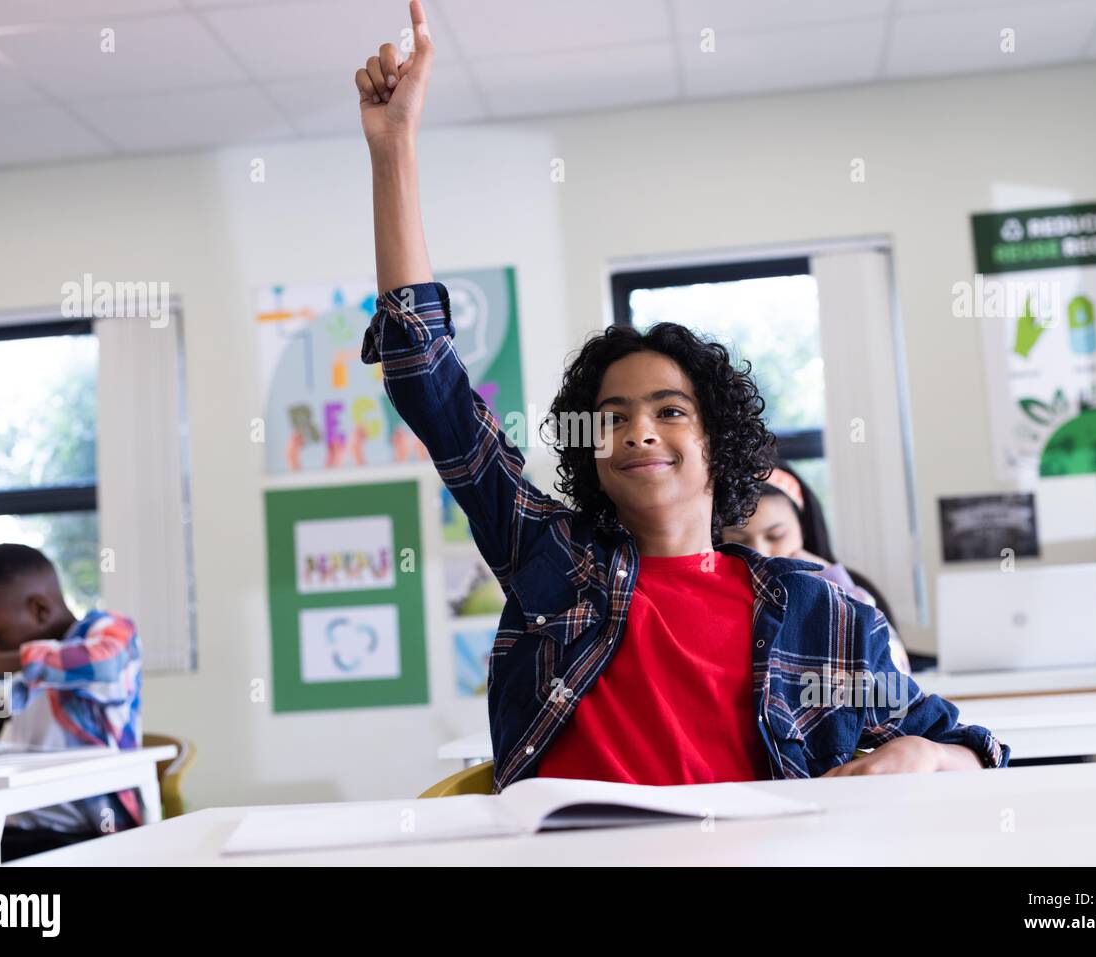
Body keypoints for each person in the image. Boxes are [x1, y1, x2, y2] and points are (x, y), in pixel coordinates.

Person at [354, 1, 1007, 790]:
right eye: (615, 416)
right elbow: (427, 376)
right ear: (592, 453)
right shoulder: (554, 563)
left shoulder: (815, 610)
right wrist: (395, 151)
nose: (638, 430)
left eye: (669, 410)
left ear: (717, 444)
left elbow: (975, 746)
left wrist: (921, 752)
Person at [0, 544, 143, 865]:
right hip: (18, 828)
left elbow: (102, 663)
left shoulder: (109, 631)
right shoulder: (28, 671)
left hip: (88, 834)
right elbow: (26, 696)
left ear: (39, 609)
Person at [722, 462, 930, 674]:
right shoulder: (720, 600)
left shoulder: (849, 587)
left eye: (776, 536)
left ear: (803, 529)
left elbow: (896, 676)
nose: (760, 553)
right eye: (740, 541)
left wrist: (838, 583)